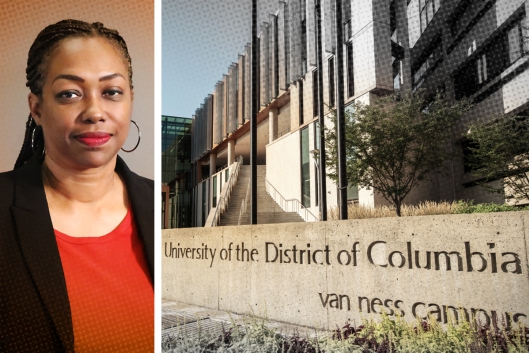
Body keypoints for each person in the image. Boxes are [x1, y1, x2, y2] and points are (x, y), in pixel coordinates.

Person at [0, 20, 154, 352]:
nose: (95, 112)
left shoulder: (160, 208)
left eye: (111, 92)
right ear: (37, 107)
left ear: (130, 101)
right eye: (70, 94)